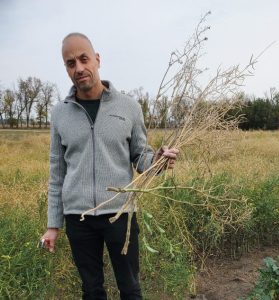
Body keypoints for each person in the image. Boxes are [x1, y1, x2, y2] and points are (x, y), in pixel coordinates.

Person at [40, 32, 179, 300]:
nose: (79, 68)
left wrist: (158, 160)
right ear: (66, 69)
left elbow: (140, 157)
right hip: (78, 217)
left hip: (120, 214)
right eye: (71, 63)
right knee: (91, 291)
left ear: (97, 59)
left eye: (84, 59)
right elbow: (57, 173)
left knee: (130, 289)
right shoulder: (59, 114)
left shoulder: (129, 107)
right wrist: (53, 225)